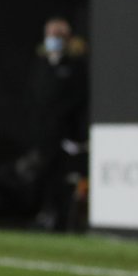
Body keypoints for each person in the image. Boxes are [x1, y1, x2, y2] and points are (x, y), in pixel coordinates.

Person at [28, 17, 88, 231]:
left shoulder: (75, 65)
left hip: (66, 134)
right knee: (44, 175)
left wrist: (74, 134)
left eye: (58, 34)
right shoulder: (42, 64)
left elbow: (78, 99)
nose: (53, 38)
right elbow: (36, 98)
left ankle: (64, 220)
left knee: (63, 178)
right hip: (44, 134)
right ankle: (46, 214)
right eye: (50, 34)